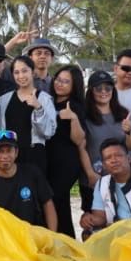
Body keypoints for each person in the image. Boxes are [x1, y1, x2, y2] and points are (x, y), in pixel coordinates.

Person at [0, 130, 57, 231]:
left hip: (30, 234)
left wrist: (52, 235)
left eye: (9, 151)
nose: (5, 156)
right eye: (0, 151)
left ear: (16, 152)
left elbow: (48, 204)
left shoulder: (32, 173)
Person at [78, 70, 131, 215]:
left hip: (120, 177)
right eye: (98, 88)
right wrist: (90, 174)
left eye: (108, 88)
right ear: (91, 91)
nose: (104, 92)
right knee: (95, 220)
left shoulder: (124, 114)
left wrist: (129, 131)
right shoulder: (84, 115)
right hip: (94, 178)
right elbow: (81, 147)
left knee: (122, 218)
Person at [0, 55, 57, 180]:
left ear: (33, 72)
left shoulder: (44, 99)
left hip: (34, 155)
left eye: (24, 71)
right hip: (10, 156)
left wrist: (38, 108)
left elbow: (48, 132)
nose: (21, 76)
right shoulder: (4, 100)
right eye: (16, 72)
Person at [45, 64, 87, 238]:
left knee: (56, 202)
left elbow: (79, 140)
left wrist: (73, 118)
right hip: (48, 161)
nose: (59, 84)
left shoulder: (75, 106)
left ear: (74, 85)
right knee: (57, 205)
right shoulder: (48, 101)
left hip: (66, 164)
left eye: (66, 82)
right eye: (58, 79)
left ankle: (65, 243)